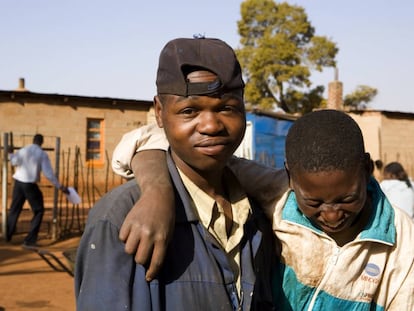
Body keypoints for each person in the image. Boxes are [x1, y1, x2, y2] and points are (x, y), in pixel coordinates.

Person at [113, 109, 414, 310]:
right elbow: (163, 142)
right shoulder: (276, 192)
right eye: (314, 202)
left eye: (346, 199)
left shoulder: (401, 240)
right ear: (290, 175)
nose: (332, 214)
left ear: (366, 169)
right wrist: (157, 191)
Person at [75, 37, 279, 310]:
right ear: (160, 113)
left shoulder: (257, 213)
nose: (210, 125)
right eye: (189, 111)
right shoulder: (120, 218)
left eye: (226, 108)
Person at [6, 134, 68, 246]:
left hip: (18, 183)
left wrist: (10, 153)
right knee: (38, 210)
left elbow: (14, 162)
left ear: (33, 140)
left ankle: (8, 235)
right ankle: (29, 240)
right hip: (30, 184)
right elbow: (48, 174)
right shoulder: (42, 154)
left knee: (14, 209)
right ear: (41, 142)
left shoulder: (23, 149)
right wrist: (59, 186)